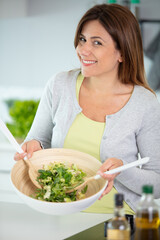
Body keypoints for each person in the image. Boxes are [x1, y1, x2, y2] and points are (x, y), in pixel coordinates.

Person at [14, 4, 160, 215]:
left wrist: (122, 171)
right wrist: (33, 147)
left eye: (97, 42)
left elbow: (157, 183)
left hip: (118, 221)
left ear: (122, 53)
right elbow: (37, 142)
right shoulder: (59, 85)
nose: (83, 50)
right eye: (82, 39)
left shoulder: (144, 103)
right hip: (59, 215)